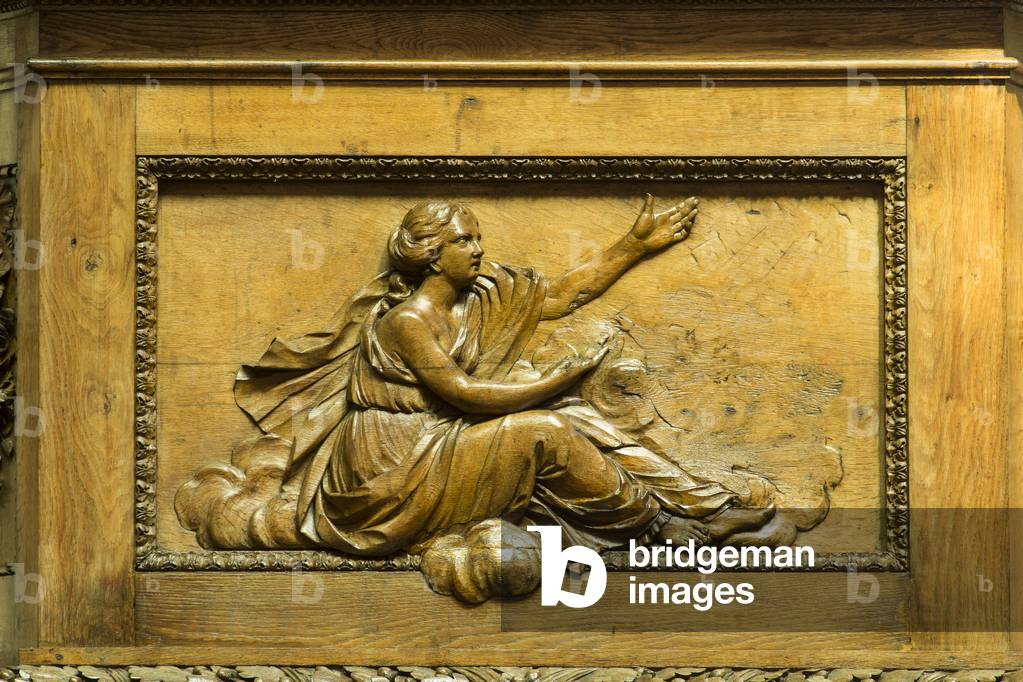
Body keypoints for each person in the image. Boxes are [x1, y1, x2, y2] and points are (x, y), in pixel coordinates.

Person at [234, 196, 775, 557]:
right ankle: (658, 529)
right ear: (430, 253)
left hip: (432, 450)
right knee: (548, 429)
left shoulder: (480, 300)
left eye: (476, 238)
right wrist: (563, 376)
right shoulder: (407, 321)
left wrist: (633, 245)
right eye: (465, 241)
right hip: (388, 481)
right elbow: (466, 395)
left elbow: (564, 296)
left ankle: (706, 509)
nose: (479, 249)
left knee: (574, 418)